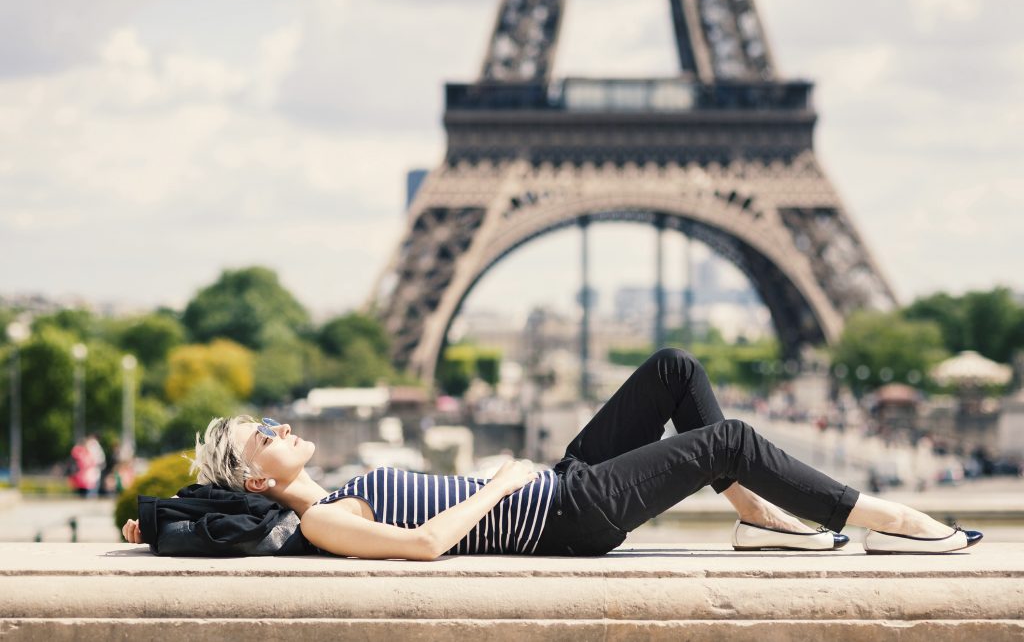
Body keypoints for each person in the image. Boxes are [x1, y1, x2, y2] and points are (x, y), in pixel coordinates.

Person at [122, 349, 982, 558]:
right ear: (260, 479)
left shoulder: (337, 491)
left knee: (676, 370)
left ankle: (760, 518)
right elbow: (423, 547)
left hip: (561, 485)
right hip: (567, 515)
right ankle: (884, 517)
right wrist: (498, 481)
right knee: (725, 439)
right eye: (260, 439)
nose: (275, 427)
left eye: (267, 422)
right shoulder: (324, 518)